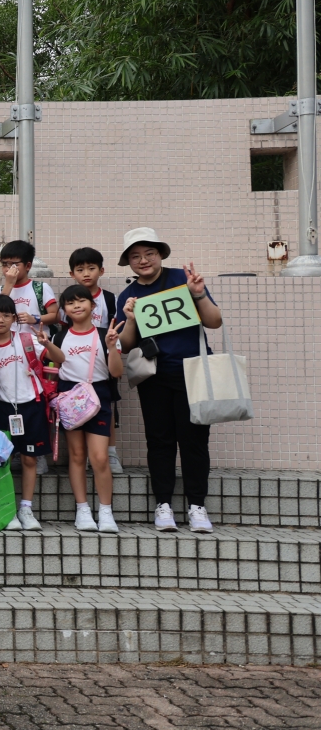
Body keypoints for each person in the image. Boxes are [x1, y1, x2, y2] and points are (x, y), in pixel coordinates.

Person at [115, 228, 222, 533]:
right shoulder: (128, 296)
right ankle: (163, 505)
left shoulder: (182, 279)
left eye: (149, 253)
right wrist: (131, 319)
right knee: (159, 441)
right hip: (154, 377)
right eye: (135, 256)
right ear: (128, 262)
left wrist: (198, 294)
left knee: (194, 441)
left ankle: (197, 506)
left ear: (161, 254)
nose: (143, 260)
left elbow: (214, 321)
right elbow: (125, 345)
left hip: (194, 373)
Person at [0, 294, 63, 531]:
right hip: (2, 408)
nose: (0, 320)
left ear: (14, 318)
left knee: (30, 459)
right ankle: (7, 508)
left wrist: (47, 343)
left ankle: (26, 509)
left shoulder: (26, 339)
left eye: (5, 315)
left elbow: (60, 359)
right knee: (3, 460)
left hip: (32, 405)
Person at [52, 285, 125, 532]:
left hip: (99, 395)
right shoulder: (60, 337)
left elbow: (116, 372)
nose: (76, 306)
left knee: (100, 458)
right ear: (64, 310)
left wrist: (112, 347)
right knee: (76, 455)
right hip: (70, 396)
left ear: (93, 305)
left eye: (81, 301)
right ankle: (82, 510)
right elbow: (55, 368)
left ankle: (106, 512)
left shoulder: (107, 334)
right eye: (70, 303)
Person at [62, 247, 125, 474]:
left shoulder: (108, 298)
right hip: (77, 360)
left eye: (91, 268)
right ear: (72, 274)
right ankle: (82, 456)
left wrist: (111, 348)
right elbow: (63, 328)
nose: (86, 273)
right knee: (75, 404)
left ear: (101, 270)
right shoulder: (68, 298)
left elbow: (116, 326)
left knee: (107, 404)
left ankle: (110, 451)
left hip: (103, 358)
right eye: (80, 269)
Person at [0, 241, 58, 334]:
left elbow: (56, 316)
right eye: (4, 264)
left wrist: (35, 319)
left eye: (14, 264)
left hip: (37, 340)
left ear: (28, 266)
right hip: (8, 340)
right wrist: (9, 284)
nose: (8, 269)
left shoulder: (41, 288)